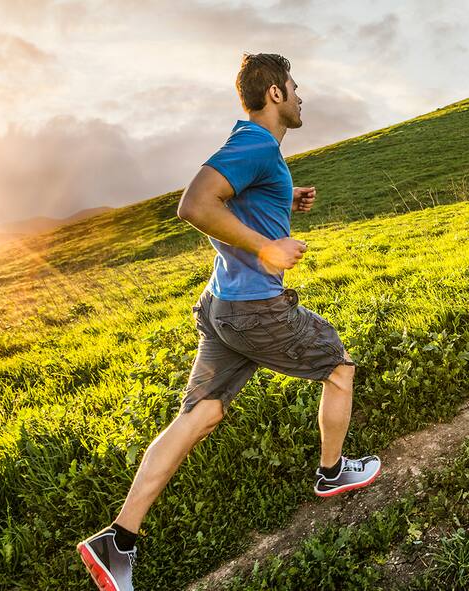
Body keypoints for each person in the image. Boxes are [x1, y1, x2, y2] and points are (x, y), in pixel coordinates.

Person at [76, 53, 381, 591]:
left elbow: (232, 199)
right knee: (340, 369)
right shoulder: (256, 143)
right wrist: (269, 247)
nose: (301, 94)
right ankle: (332, 473)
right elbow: (195, 205)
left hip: (222, 307)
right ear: (275, 94)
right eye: (294, 86)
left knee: (200, 414)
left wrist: (286, 196)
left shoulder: (259, 152)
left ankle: (117, 541)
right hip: (256, 309)